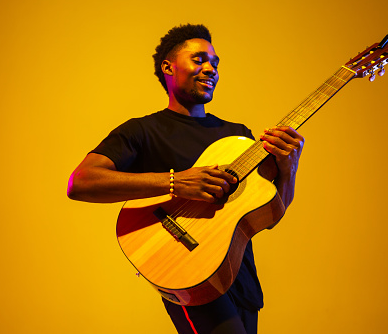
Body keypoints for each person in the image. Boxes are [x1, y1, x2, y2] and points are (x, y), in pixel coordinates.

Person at [67, 24, 304, 334]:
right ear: (169, 66)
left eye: (215, 63)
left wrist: (289, 167)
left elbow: (270, 214)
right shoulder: (141, 131)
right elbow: (81, 182)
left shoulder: (239, 137)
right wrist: (175, 182)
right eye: (199, 59)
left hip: (242, 281)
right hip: (190, 275)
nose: (210, 69)